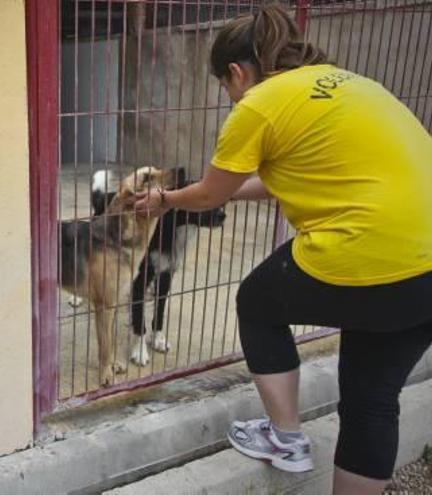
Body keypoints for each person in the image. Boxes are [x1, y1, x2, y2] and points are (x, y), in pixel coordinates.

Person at [131, 3, 432, 494]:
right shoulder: (350, 83)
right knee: (372, 400)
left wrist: (165, 200)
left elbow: (210, 194)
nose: (229, 97)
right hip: (425, 267)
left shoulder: (259, 103)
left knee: (257, 301)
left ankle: (286, 438)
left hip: (368, 249)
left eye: (224, 87)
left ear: (236, 72)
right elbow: (273, 181)